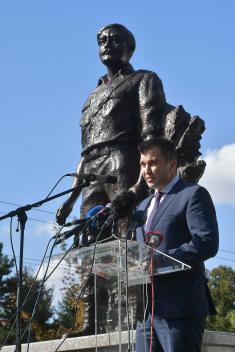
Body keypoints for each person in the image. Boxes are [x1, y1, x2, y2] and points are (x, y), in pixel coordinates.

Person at [56, 23, 166, 226]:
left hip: (123, 162)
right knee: (89, 237)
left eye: (114, 39)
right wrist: (70, 200)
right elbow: (86, 153)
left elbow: (152, 138)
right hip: (91, 173)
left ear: (130, 48)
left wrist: (140, 185)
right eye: (102, 41)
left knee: (126, 230)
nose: (106, 44)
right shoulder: (92, 97)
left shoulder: (143, 79)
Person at [135, 138, 219, 352]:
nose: (147, 170)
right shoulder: (142, 206)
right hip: (146, 313)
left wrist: (161, 260)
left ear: (172, 165)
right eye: (143, 164)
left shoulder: (192, 194)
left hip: (180, 309)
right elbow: (140, 252)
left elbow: (206, 242)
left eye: (153, 163)